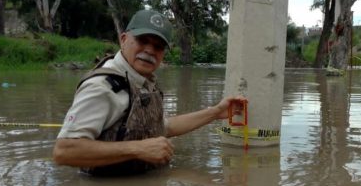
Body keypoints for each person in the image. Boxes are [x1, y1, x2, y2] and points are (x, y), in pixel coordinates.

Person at [53, 9, 241, 176]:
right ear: (124, 39)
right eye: (142, 40)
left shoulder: (141, 79)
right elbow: (64, 151)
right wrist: (137, 149)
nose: (150, 50)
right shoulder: (103, 86)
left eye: (158, 46)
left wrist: (216, 112)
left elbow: (162, 128)